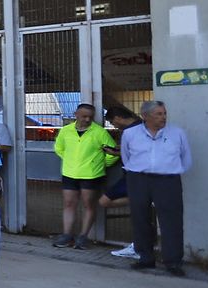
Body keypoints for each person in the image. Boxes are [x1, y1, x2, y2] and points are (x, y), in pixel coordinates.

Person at [121, 100, 191, 277]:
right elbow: (126, 156)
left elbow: (186, 158)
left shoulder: (177, 133)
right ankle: (145, 258)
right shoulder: (130, 134)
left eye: (164, 113)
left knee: (171, 222)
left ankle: (173, 262)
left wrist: (170, 170)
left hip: (168, 181)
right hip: (138, 179)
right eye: (158, 114)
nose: (163, 117)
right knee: (140, 218)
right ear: (145, 116)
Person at [52, 103, 115, 249]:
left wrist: (101, 163)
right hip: (69, 173)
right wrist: (69, 160)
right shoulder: (66, 131)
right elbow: (59, 148)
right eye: (84, 116)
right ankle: (67, 235)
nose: (87, 119)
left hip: (91, 175)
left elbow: (113, 153)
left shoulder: (99, 132)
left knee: (88, 205)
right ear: (76, 115)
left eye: (90, 117)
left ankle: (83, 237)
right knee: (69, 204)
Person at [102, 105, 144, 260]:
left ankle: (138, 247)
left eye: (113, 123)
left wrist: (117, 152)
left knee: (106, 201)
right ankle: (143, 200)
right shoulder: (139, 126)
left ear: (118, 118)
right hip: (132, 174)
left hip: (134, 174)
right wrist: (117, 151)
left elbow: (136, 151)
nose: (114, 126)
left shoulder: (133, 130)